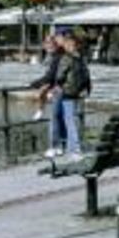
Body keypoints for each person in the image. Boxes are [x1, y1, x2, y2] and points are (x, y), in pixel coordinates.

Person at [28, 32, 68, 156]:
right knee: (61, 118)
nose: (48, 46)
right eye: (46, 44)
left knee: (55, 118)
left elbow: (51, 76)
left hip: (59, 88)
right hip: (61, 87)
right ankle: (62, 145)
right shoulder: (57, 55)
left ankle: (54, 146)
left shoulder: (57, 56)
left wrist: (36, 83)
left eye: (51, 43)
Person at [55, 31, 89, 159]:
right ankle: (71, 149)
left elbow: (60, 75)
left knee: (70, 121)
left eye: (68, 44)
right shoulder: (80, 58)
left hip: (68, 92)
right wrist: (86, 88)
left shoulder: (66, 58)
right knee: (74, 119)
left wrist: (58, 85)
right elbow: (86, 75)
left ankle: (75, 149)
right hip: (79, 92)